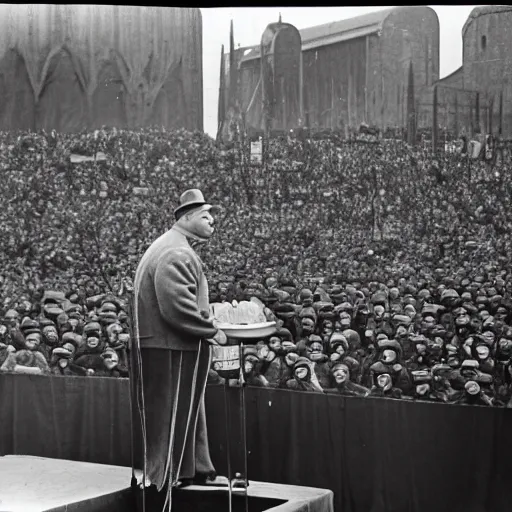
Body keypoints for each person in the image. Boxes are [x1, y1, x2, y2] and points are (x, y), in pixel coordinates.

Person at [132, 189, 224, 509]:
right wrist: (212, 331)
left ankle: (197, 468)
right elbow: (177, 308)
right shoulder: (176, 253)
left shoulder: (173, 246)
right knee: (173, 412)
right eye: (205, 215)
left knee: (186, 408)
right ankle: (169, 478)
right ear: (186, 218)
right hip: (171, 347)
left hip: (168, 346)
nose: (212, 220)